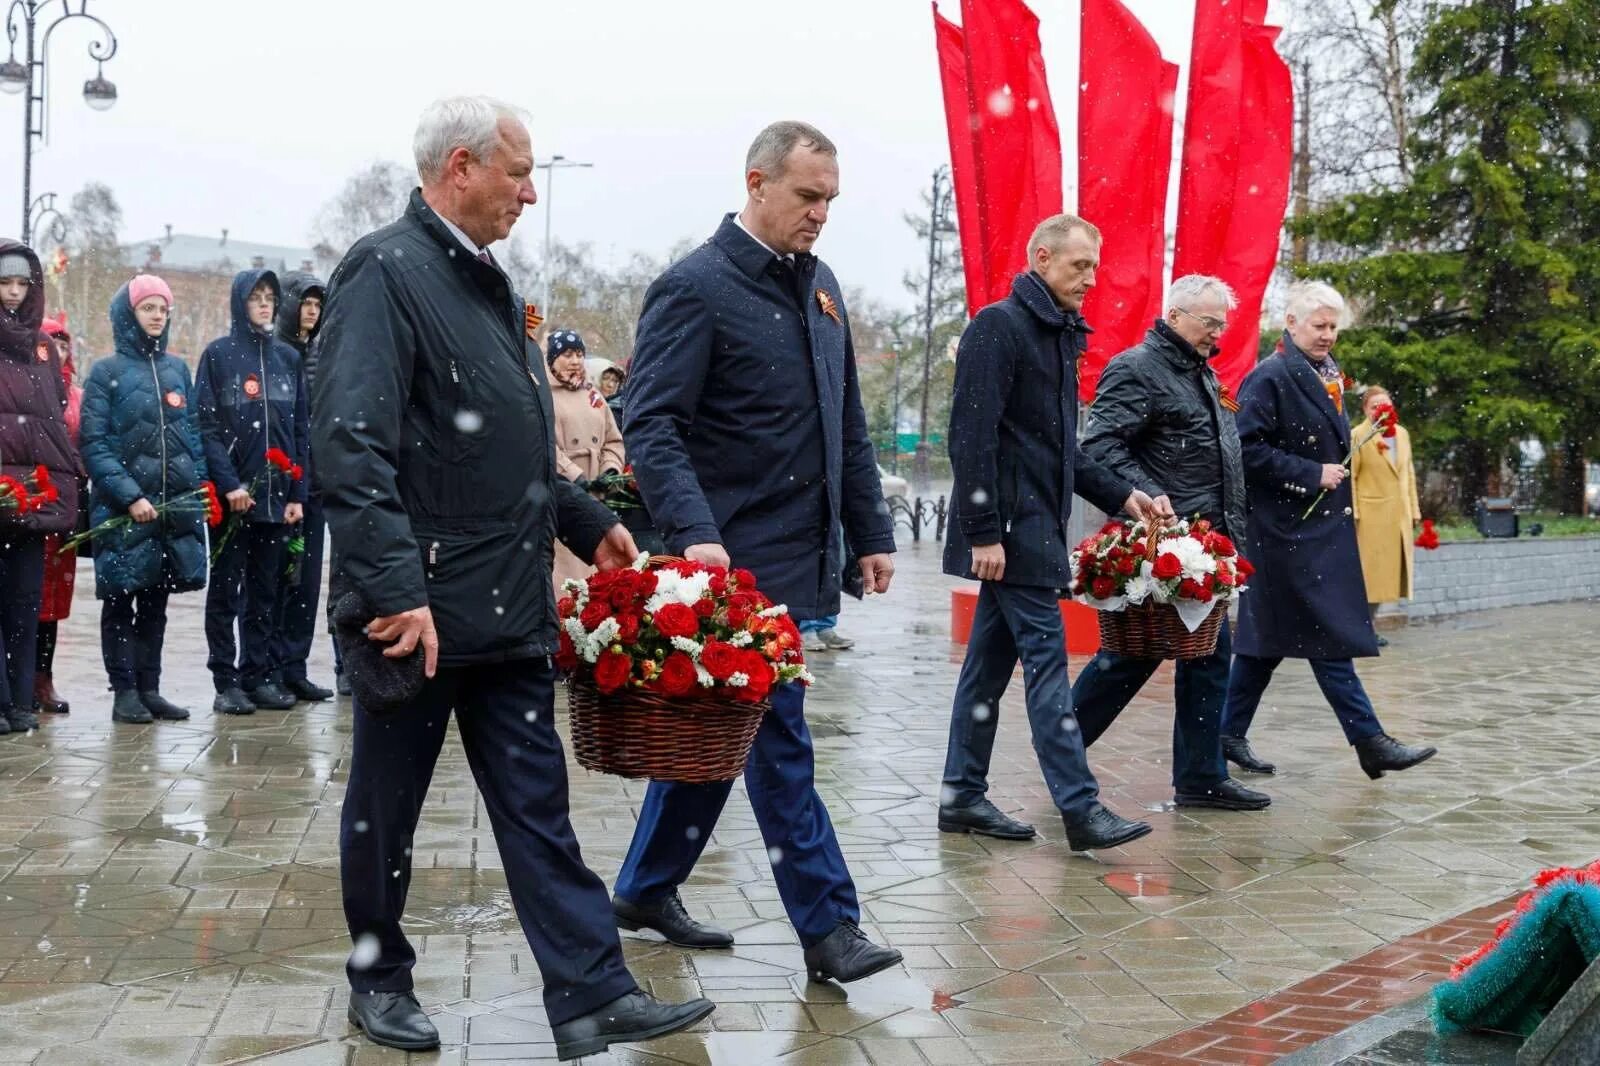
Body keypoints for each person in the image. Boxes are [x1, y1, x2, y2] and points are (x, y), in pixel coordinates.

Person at [313, 95, 711, 1058]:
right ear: (460, 167)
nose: (532, 193)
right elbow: (348, 444)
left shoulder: (484, 281)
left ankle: (590, 993)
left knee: (539, 810)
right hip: (417, 617)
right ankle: (379, 976)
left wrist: (591, 520)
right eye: (519, 172)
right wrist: (397, 587)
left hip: (506, 607)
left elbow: (509, 445)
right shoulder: (386, 270)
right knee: (386, 809)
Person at [616, 120, 904, 984]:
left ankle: (643, 887)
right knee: (779, 741)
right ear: (756, 182)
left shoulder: (822, 292)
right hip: (729, 563)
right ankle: (829, 927)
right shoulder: (695, 287)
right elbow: (652, 422)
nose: (820, 214)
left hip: (802, 554)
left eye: (830, 201)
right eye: (807, 196)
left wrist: (873, 534)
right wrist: (696, 531)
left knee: (722, 733)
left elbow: (844, 425)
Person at [937, 214, 1163, 851]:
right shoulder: (999, 327)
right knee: (1048, 668)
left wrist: (1124, 495)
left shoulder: (1058, 334)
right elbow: (970, 437)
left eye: (1094, 265)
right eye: (1079, 265)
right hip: (1009, 535)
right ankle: (1080, 808)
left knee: (986, 670)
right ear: (1041, 257)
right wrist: (984, 532)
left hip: (1030, 530)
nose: (1091, 279)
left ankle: (962, 796)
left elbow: (1062, 452)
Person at [1218, 281, 1437, 779]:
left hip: (1312, 532)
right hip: (1283, 535)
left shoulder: (1325, 374)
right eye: (1319, 325)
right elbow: (1243, 451)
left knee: (1263, 645)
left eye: (1334, 326)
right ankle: (1369, 740)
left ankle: (1225, 735)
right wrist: (1309, 473)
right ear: (1290, 324)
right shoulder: (1269, 378)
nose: (1328, 335)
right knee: (1326, 637)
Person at [1070, 275, 1271, 812]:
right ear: (1177, 315)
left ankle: (1202, 775)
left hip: (1205, 546)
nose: (1218, 334)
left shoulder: (1201, 372)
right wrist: (1151, 497)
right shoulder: (1138, 368)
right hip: (1165, 545)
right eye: (1210, 323)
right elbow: (1101, 446)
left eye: (1222, 324)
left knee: (1208, 659)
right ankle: (1061, 754)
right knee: (1129, 659)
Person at [79, 276, 208, 724]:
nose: (156, 316)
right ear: (128, 314)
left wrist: (200, 487)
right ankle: (124, 691)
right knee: (121, 601)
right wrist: (130, 496)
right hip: (125, 511)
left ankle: (150, 687)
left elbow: (191, 435)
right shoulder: (106, 373)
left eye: (162, 308)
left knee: (156, 602)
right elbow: (94, 444)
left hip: (172, 512)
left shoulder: (177, 370)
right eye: (147, 308)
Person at [196, 269, 309, 715]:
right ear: (240, 303)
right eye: (256, 298)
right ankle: (226, 679)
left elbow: (301, 430)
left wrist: (297, 492)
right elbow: (205, 425)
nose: (264, 305)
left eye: (270, 298)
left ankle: (257, 674)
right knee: (227, 591)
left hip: (277, 500)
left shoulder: (287, 359)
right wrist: (230, 485)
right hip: (233, 502)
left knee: (266, 592)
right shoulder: (219, 356)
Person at [0, 240, 80, 735]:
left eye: (20, 284)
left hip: (30, 499)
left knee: (24, 607)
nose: (12, 293)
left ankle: (19, 701)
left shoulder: (42, 348)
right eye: (4, 283)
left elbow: (52, 426)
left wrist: (61, 493)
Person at [271, 270, 336, 701]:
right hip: (281, 485)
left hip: (316, 486)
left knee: (307, 582)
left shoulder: (324, 354)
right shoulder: (274, 354)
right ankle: (269, 667)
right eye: (306, 303)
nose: (311, 312)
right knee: (279, 579)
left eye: (318, 305)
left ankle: (293, 666)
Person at [547, 328, 625, 590]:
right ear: (552, 358)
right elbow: (545, 444)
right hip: (563, 496)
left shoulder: (594, 396)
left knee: (597, 574)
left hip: (598, 496)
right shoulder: (543, 396)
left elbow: (613, 440)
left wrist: (610, 470)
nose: (575, 360)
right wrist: (573, 476)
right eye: (567, 354)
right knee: (565, 578)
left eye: (579, 353)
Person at [34, 313, 82, 716]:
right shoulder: (24, 388)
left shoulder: (77, 396)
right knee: (22, 597)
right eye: (51, 342)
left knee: (52, 603)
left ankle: (43, 678)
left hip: (63, 513)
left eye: (63, 344)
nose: (58, 351)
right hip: (28, 506)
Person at [1350, 386, 1420, 648]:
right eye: (1374, 405)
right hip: (1371, 518)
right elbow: (1352, 478)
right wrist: (1355, 513)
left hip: (1397, 516)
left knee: (1386, 579)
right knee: (1370, 578)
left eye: (1384, 404)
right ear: (1366, 410)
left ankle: (1369, 627)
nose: (1380, 409)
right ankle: (1363, 629)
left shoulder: (1401, 434)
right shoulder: (1359, 435)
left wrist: (1414, 510)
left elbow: (1408, 473)